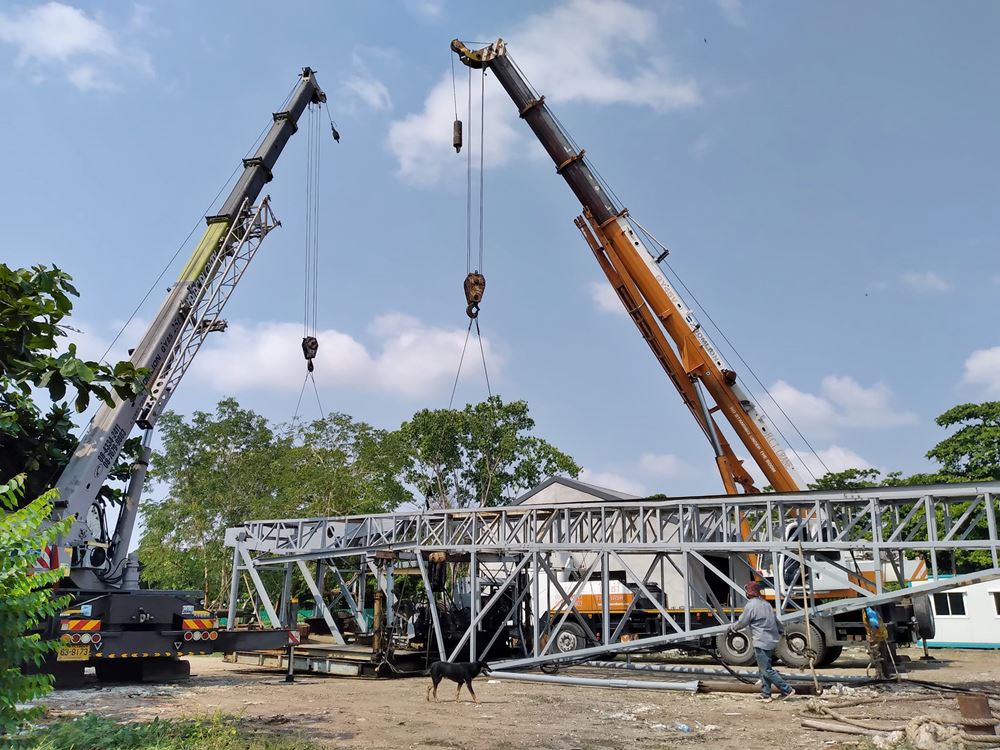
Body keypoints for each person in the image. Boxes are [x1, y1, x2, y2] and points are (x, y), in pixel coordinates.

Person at [729, 580, 796, 702]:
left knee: (766, 670)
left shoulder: (751, 605)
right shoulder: (766, 604)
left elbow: (743, 621)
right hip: (771, 640)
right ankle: (766, 694)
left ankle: (787, 690)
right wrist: (782, 630)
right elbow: (775, 620)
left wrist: (733, 628)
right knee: (763, 668)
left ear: (749, 593)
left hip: (761, 640)